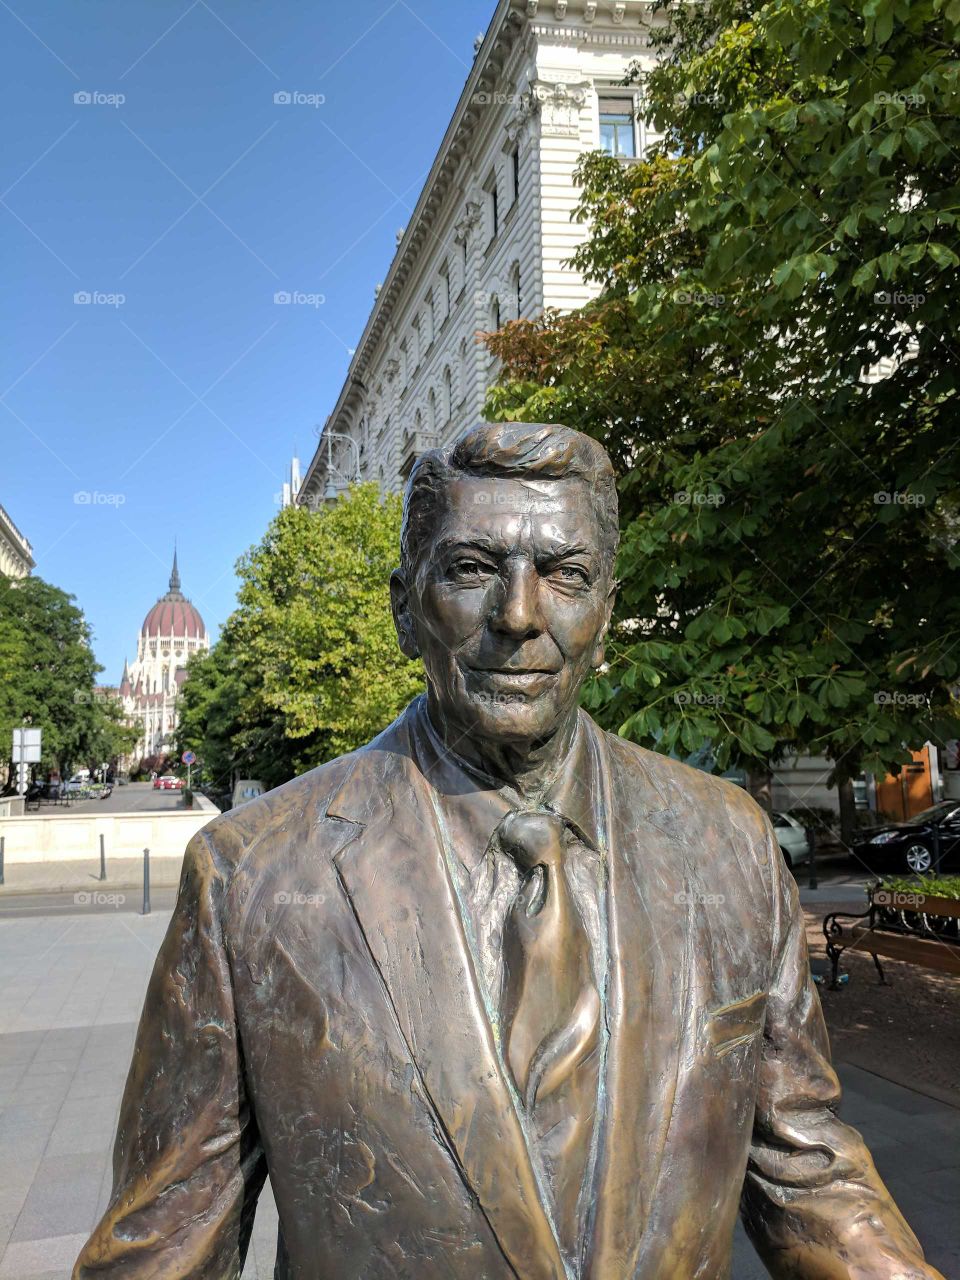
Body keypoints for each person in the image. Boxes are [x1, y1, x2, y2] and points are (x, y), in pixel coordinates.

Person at [74, 423, 944, 1279]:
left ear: (606, 615)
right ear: (405, 610)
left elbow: (812, 1176)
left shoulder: (727, 843)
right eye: (471, 568)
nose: (520, 616)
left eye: (565, 574)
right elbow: (162, 1248)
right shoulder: (254, 873)